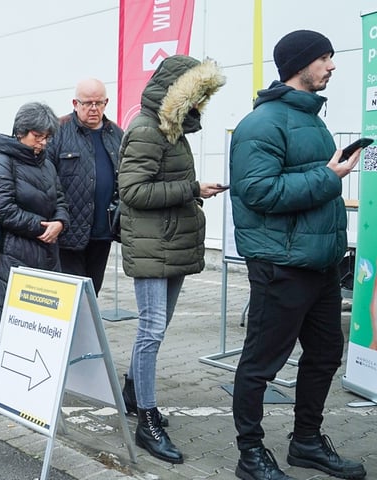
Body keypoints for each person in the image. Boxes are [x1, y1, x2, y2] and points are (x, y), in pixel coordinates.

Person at [229, 30, 366, 480]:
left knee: (326, 352)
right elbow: (258, 191)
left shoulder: (311, 119)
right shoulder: (262, 124)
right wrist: (330, 177)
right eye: (325, 57)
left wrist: (331, 172)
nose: (331, 66)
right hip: (281, 266)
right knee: (261, 363)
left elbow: (305, 177)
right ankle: (250, 454)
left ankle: (305, 442)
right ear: (299, 64)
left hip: (320, 264)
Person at [118, 55, 226, 465]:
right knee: (151, 333)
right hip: (152, 247)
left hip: (170, 244)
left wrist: (194, 190)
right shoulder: (148, 130)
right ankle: (146, 421)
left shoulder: (172, 130)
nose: (200, 104)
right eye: (196, 95)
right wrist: (191, 188)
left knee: (155, 330)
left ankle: (133, 392)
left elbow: (162, 184)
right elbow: (133, 192)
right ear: (177, 94)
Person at [0, 102, 69, 339]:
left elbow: (60, 199)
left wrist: (60, 222)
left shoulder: (47, 164)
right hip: (12, 255)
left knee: (42, 327)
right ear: (20, 132)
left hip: (48, 254)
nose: (42, 142)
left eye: (47, 137)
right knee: (12, 329)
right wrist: (42, 227)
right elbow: (1, 208)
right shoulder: (2, 161)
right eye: (37, 136)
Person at [46, 78, 123, 295]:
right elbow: (46, 179)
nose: (93, 108)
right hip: (68, 231)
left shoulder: (116, 134)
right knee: (70, 293)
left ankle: (85, 329)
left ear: (106, 103)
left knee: (92, 291)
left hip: (103, 230)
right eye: (87, 103)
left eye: (99, 103)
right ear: (75, 103)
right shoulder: (58, 131)